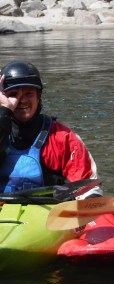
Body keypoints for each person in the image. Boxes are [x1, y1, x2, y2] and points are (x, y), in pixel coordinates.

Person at [0, 60, 102, 198]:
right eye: (13, 94)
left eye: (29, 94)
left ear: (38, 97)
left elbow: (88, 187)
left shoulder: (63, 138)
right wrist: (4, 111)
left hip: (48, 215)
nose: (22, 100)